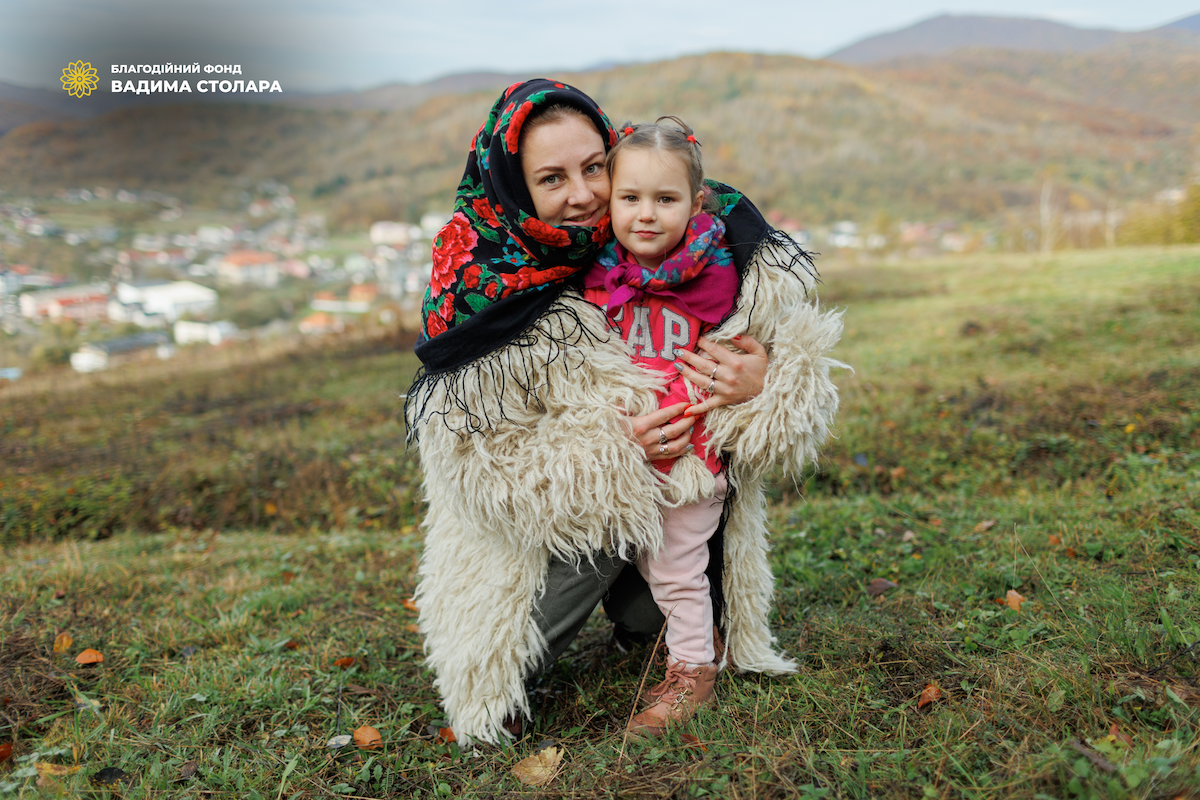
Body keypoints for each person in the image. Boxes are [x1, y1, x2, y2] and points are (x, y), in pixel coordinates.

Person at [405, 79, 845, 746]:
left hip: (680, 492)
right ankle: (507, 670)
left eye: (594, 168)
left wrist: (762, 378)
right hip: (536, 527)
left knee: (666, 574)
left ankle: (669, 632)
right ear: (515, 185)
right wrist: (612, 453)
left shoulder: (688, 230)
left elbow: (798, 354)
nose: (583, 194)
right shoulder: (482, 278)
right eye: (552, 178)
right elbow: (478, 469)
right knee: (514, 663)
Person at [580, 115, 744, 735]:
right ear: (610, 200)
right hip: (628, 458)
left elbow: (762, 347)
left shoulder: (720, 274)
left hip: (690, 459)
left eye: (666, 199)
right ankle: (698, 642)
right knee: (656, 568)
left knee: (674, 568)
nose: (646, 214)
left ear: (695, 203)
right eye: (630, 198)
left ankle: (694, 674)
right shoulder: (599, 273)